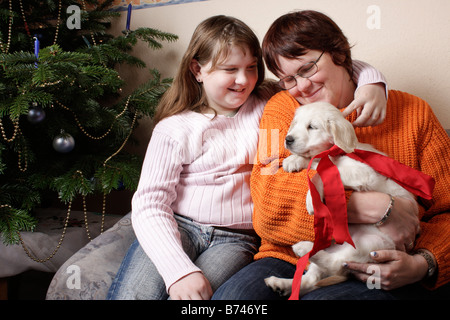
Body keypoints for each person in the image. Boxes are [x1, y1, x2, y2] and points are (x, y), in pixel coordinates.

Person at [107, 15, 388, 300]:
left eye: (251, 68)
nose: (243, 80)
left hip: (234, 239)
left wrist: (371, 82)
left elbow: (318, 74)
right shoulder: (174, 128)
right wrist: (179, 271)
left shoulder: (267, 102)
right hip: (179, 225)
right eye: (230, 69)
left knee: (201, 298)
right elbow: (149, 202)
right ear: (197, 69)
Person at [212, 10, 450, 300]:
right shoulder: (280, 110)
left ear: (339, 52)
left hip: (371, 260)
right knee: (231, 300)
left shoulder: (415, 113)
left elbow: (446, 210)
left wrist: (423, 263)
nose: (301, 87)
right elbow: (268, 204)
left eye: (308, 68)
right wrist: (375, 206)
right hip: (285, 255)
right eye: (288, 78)